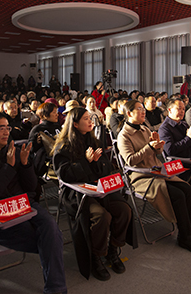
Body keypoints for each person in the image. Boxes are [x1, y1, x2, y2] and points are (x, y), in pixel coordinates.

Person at [0, 112, 66, 294]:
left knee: (51, 227)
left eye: (8, 128)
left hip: (25, 204)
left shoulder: (15, 151)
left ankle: (55, 290)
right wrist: (9, 167)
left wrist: (25, 165)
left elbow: (31, 188)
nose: (6, 132)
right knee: (52, 239)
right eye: (1, 128)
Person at [52, 107, 135, 281]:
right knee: (102, 216)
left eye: (90, 118)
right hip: (77, 193)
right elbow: (64, 175)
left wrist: (96, 163)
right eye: (85, 119)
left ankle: (113, 250)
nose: (90, 121)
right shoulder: (63, 146)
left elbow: (105, 167)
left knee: (124, 210)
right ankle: (96, 256)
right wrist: (85, 161)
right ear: (75, 124)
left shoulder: (93, 140)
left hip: (98, 188)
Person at [117, 99, 191, 255]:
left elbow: (156, 152)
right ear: (129, 113)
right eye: (139, 109)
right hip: (141, 177)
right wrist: (149, 147)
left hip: (156, 171)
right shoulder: (124, 135)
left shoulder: (145, 129)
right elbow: (130, 161)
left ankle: (188, 232)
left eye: (143, 109)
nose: (143, 112)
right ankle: (185, 235)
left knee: (186, 188)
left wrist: (157, 147)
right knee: (178, 195)